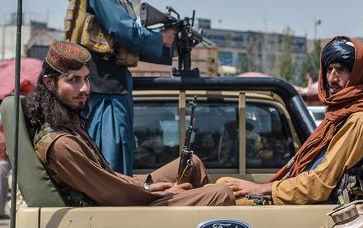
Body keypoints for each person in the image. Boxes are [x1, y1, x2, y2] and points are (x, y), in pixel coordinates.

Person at [24, 41, 234, 207]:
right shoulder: (61, 144)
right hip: (119, 212)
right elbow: (110, 194)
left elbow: (108, 178)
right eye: (73, 80)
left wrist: (146, 185)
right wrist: (158, 192)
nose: (85, 89)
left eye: (86, 79)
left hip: (125, 198)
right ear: (49, 83)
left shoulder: (67, 124)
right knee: (220, 193)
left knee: (192, 163)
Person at [220, 37, 363, 205]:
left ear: (359, 74)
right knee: (223, 184)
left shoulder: (361, 120)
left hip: (315, 205)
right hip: (300, 195)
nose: (332, 79)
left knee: (218, 197)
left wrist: (262, 189)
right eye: (329, 69)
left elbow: (319, 184)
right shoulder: (341, 113)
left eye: (342, 70)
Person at [64, 0, 176, 175]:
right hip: (106, 90)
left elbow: (121, 42)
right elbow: (122, 29)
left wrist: (165, 49)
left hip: (110, 87)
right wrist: (160, 39)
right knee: (111, 161)